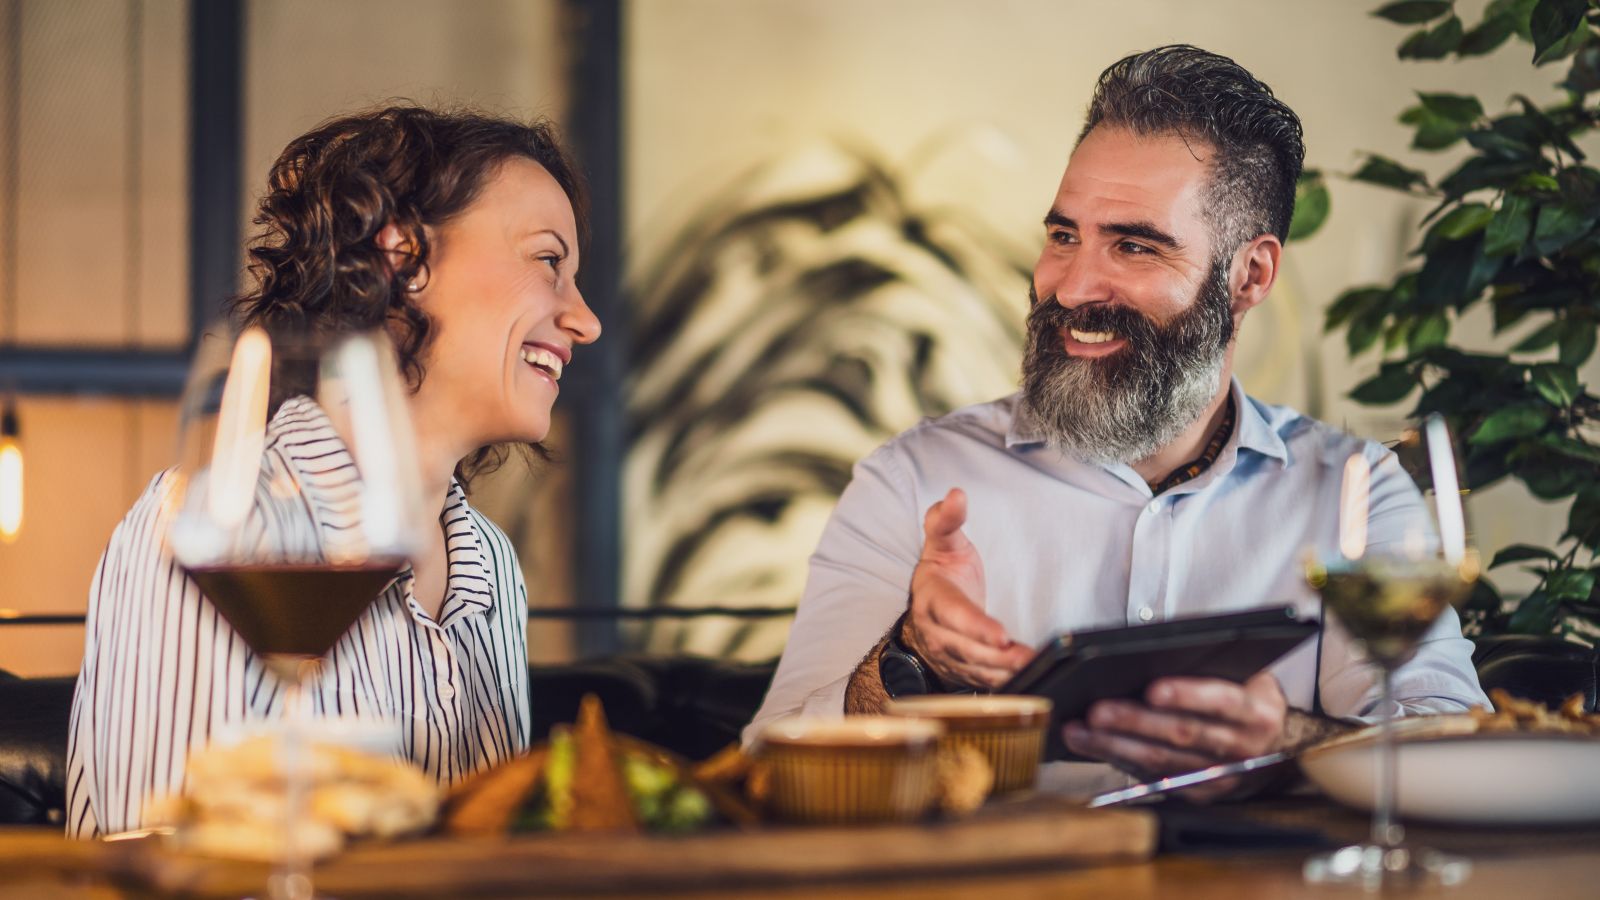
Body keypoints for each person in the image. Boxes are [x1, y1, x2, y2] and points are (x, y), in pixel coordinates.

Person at [745, 45, 1487, 797]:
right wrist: (909, 659)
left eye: (1133, 245)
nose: (1070, 287)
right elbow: (768, 762)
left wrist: (1284, 741)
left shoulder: (1354, 492)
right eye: (1064, 235)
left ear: (1250, 275)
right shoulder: (915, 478)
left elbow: (1458, 763)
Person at [65, 106, 601, 837]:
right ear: (404, 258)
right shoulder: (216, 531)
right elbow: (177, 872)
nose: (585, 319)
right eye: (548, 261)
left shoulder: (492, 567)